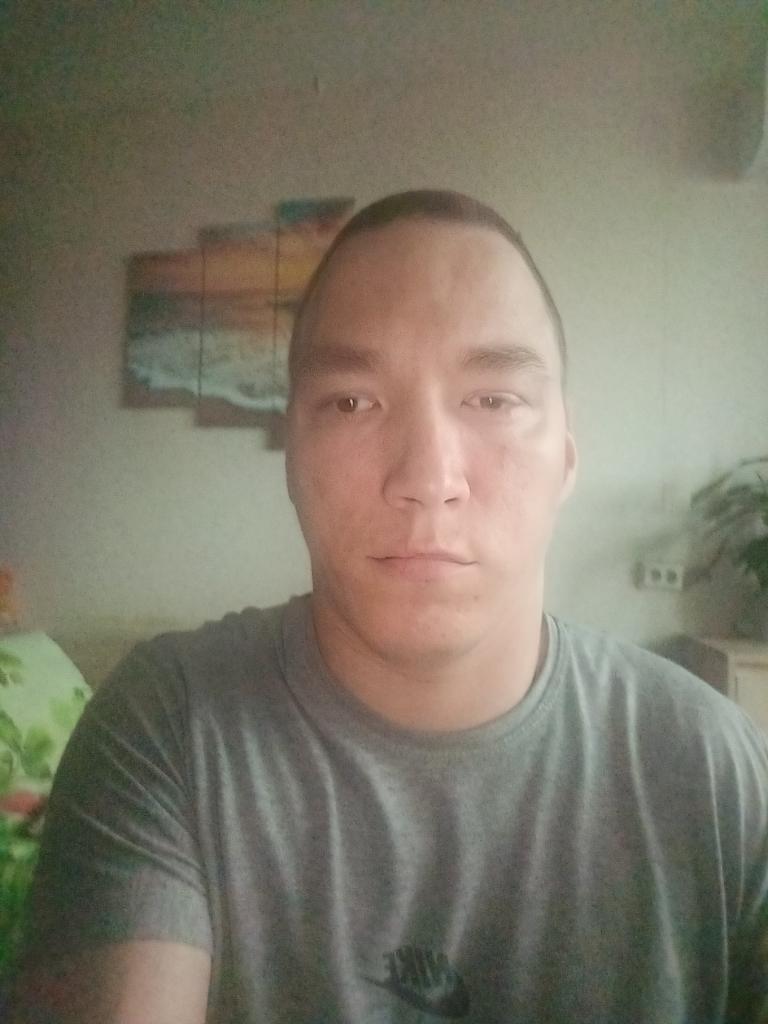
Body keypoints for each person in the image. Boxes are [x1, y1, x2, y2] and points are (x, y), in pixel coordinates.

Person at [14, 190, 768, 1023]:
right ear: (292, 454)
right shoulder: (169, 725)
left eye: (494, 399)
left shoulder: (711, 766)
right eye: (352, 402)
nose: (427, 478)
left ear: (565, 457)